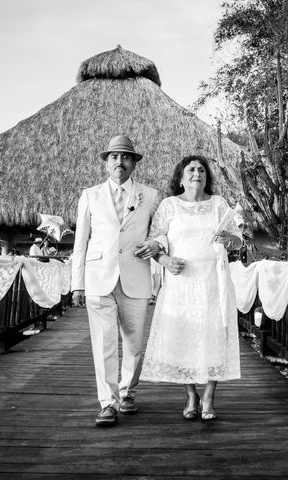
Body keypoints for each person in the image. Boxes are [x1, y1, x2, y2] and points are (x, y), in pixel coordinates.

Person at [71, 134, 165, 427]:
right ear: (106, 163)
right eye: (114, 157)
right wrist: (77, 283)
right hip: (99, 277)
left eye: (125, 157)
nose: (119, 162)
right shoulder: (89, 195)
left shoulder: (150, 195)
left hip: (136, 275)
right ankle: (107, 402)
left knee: (134, 344)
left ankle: (127, 391)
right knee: (103, 343)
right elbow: (80, 242)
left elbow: (162, 231)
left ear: (134, 163)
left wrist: (157, 243)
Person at [140, 155, 242, 421]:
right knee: (182, 336)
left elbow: (238, 241)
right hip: (181, 284)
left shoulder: (219, 204)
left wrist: (229, 239)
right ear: (181, 177)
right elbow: (153, 242)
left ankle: (208, 396)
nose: (197, 173)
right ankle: (190, 395)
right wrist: (165, 260)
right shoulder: (169, 205)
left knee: (213, 337)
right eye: (191, 169)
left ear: (207, 176)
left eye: (201, 169)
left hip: (213, 282)